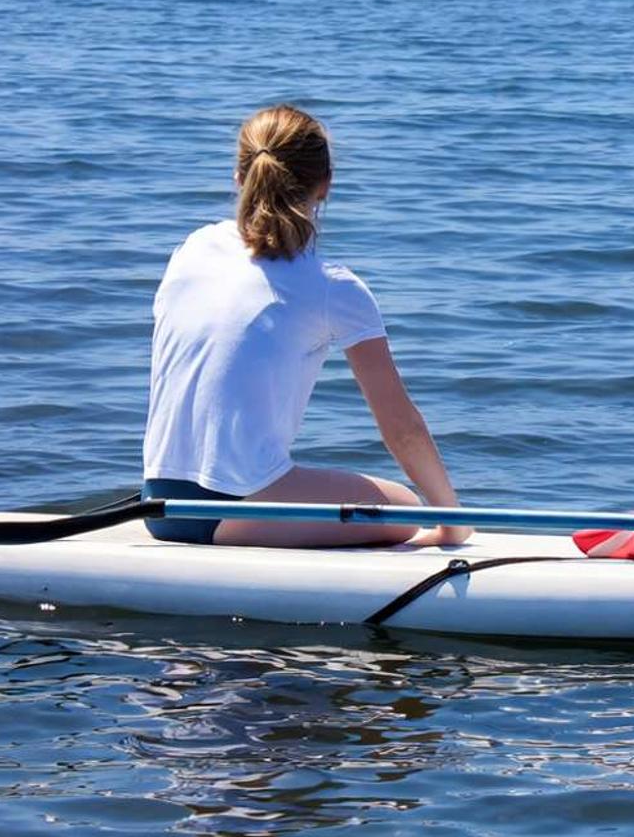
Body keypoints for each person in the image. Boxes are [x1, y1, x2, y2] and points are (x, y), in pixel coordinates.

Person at [140, 104, 470, 548]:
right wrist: (452, 523)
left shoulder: (191, 249)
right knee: (405, 508)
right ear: (325, 185)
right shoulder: (333, 287)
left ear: (240, 177)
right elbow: (400, 425)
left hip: (159, 505)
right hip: (235, 509)